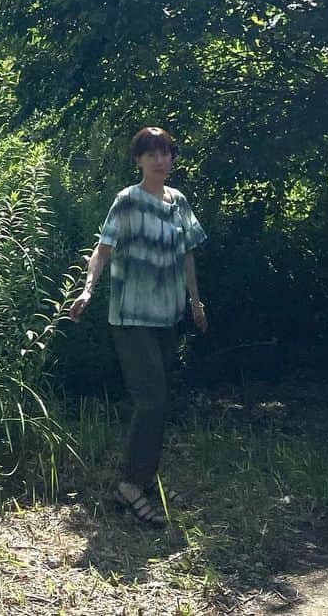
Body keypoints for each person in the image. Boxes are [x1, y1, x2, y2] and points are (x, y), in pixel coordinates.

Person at [69, 125, 207, 526]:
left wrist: (196, 303)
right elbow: (104, 248)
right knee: (151, 399)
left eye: (166, 152)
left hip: (167, 316)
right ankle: (129, 484)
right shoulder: (127, 201)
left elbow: (187, 256)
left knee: (160, 400)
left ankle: (145, 479)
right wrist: (88, 290)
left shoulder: (178, 202)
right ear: (139, 160)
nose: (161, 160)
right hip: (131, 316)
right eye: (152, 153)